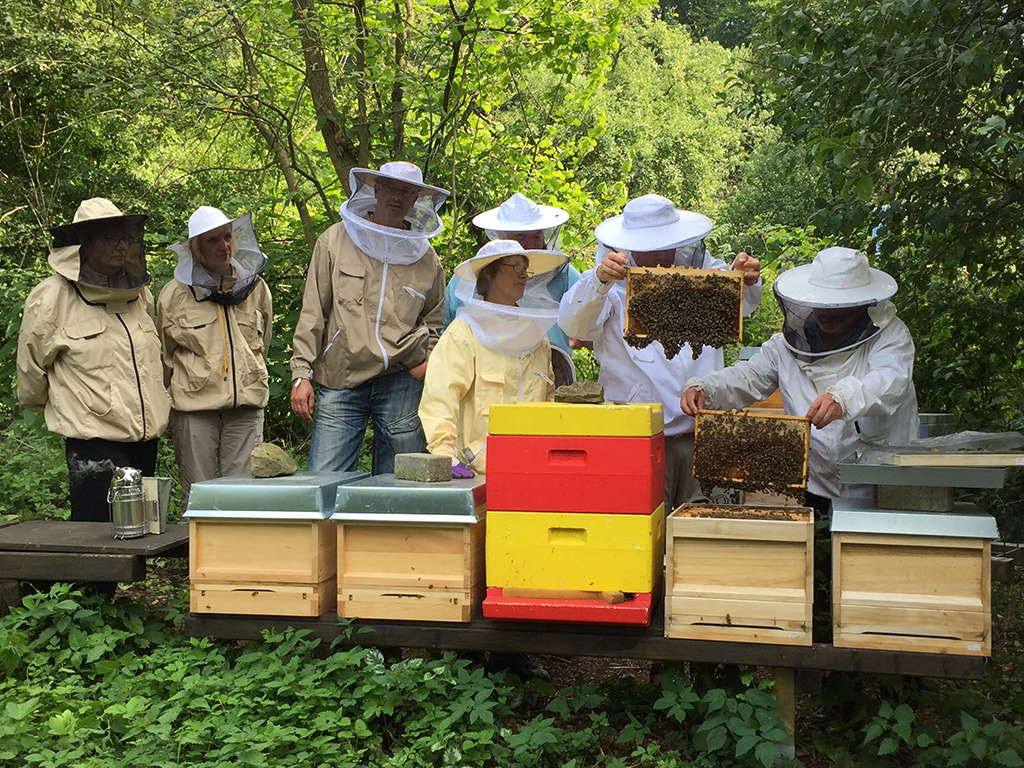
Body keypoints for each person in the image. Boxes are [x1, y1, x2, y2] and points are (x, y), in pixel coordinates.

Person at [558, 194, 762, 510]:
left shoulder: (706, 272)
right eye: (648, 248)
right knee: (640, 528)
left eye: (664, 246)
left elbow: (743, 307)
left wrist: (744, 280)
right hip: (635, 436)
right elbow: (574, 324)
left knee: (699, 530)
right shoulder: (607, 284)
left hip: (702, 434)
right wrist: (599, 281)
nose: (658, 257)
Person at [680, 246, 919, 508]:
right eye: (823, 302)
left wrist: (843, 398)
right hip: (815, 482)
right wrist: (707, 388)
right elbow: (749, 375)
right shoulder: (784, 346)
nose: (828, 311)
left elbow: (889, 380)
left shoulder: (891, 336)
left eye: (839, 305)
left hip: (881, 483)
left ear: (862, 303)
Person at [17, 197, 170, 521]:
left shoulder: (138, 293)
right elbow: (31, 370)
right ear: (84, 244)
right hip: (92, 443)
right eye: (110, 238)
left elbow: (153, 360)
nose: (121, 246)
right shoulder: (51, 297)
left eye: (125, 238)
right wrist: (59, 405)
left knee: (139, 534)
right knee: (95, 537)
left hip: (145, 439)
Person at [290, 161, 448, 474]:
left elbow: (434, 320)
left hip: (401, 379)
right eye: (390, 187)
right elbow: (313, 312)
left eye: (406, 191)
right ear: (375, 189)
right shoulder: (335, 240)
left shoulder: (427, 258)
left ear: (416, 198)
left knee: (399, 483)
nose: (397, 196)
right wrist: (301, 374)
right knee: (324, 479)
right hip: (342, 376)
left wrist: (422, 367)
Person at [420, 239, 568, 475]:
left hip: (534, 464)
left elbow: (547, 400)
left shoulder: (535, 336)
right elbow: (440, 396)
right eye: (515, 267)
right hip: (480, 469)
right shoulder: (464, 332)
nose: (524, 275)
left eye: (526, 268)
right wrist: (444, 453)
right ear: (489, 274)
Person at [159, 206, 273, 508]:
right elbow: (164, 356)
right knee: (200, 497)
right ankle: (197, 543)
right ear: (196, 248)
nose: (224, 246)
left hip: (246, 406)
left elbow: (263, 343)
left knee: (244, 498)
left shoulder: (256, 288)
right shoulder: (174, 295)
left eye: (227, 237)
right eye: (213, 240)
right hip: (195, 408)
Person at [445, 192, 581, 385]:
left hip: (549, 373)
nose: (531, 244)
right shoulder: (468, 278)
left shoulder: (565, 275)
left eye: (537, 235)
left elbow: (590, 318)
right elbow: (445, 326)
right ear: (501, 236)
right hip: (485, 376)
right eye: (521, 237)